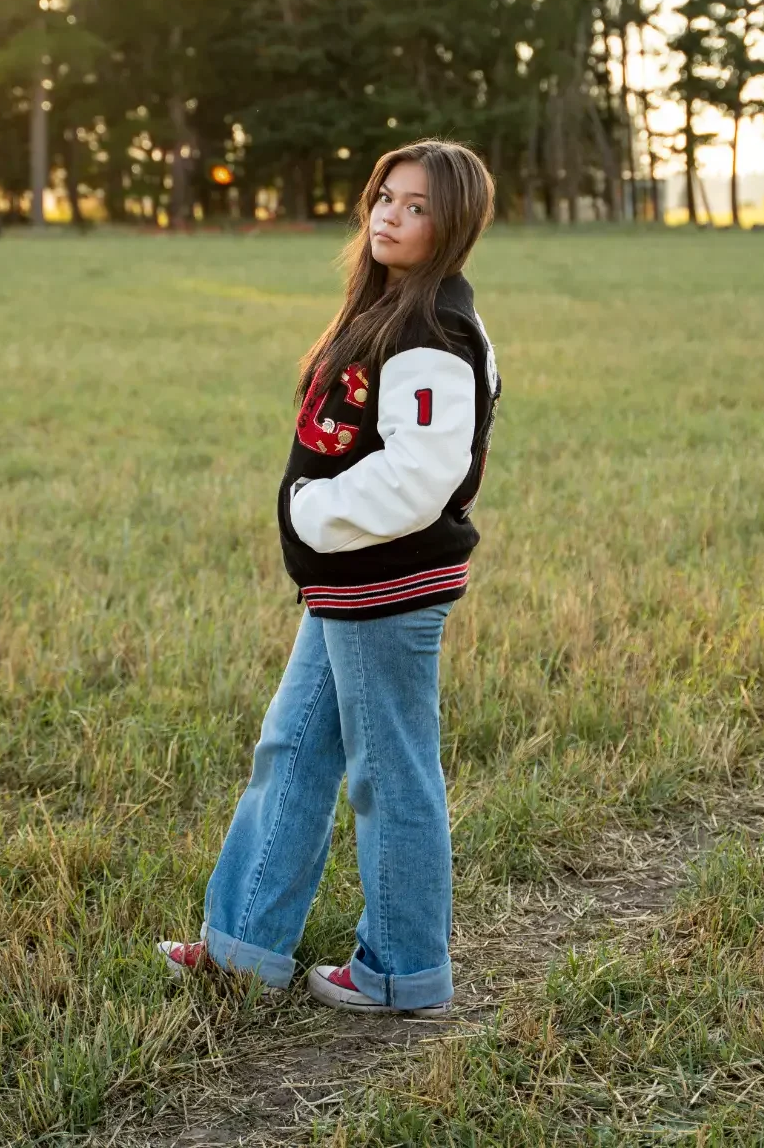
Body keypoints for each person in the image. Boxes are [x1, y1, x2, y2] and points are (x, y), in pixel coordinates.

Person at [159, 139, 501, 1016]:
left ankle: (402, 969)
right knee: (294, 751)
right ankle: (244, 948)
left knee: (391, 773)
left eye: (417, 205)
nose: (390, 213)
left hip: (385, 589)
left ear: (452, 221)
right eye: (385, 196)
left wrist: (311, 512)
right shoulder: (385, 306)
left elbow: (421, 476)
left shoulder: (433, 331)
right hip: (345, 587)